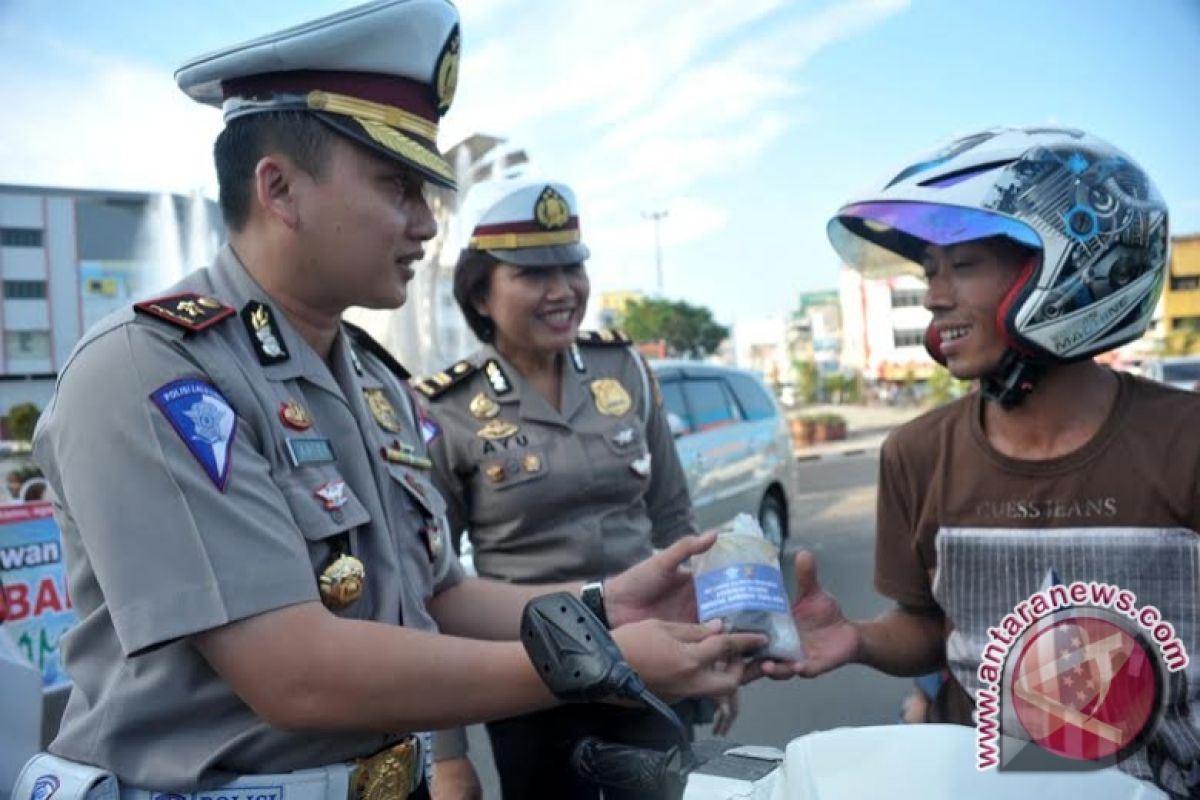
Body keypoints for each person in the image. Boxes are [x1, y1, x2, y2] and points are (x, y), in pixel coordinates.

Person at [19, 3, 764, 799]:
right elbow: (295, 673)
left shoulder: (373, 385)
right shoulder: (153, 371)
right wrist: (598, 665)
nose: (423, 223)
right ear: (280, 189)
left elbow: (437, 594)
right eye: (397, 186)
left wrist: (604, 604)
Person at [765, 126, 1199, 796]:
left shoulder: (1185, 443)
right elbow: (927, 629)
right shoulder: (915, 454)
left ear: (1073, 268)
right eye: (929, 270)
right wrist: (854, 638)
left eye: (962, 266)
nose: (936, 296)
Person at [412, 178, 736, 799]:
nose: (563, 291)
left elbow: (674, 520)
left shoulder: (625, 369)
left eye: (571, 267)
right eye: (533, 274)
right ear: (481, 293)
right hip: (532, 679)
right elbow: (429, 590)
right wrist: (447, 755)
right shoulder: (446, 409)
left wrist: (711, 649)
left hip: (653, 665)